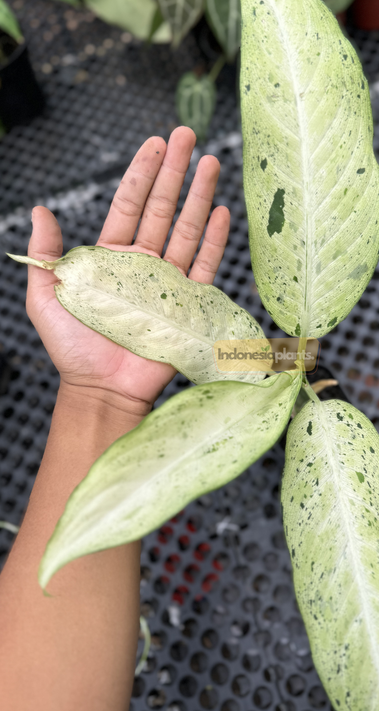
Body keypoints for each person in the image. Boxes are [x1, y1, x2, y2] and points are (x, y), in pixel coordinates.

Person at [0, 128, 230, 710]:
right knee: (258, 353)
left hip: (218, 355)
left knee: (261, 351)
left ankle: (301, 359)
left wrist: (96, 396)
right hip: (225, 359)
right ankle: (301, 361)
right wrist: (100, 392)